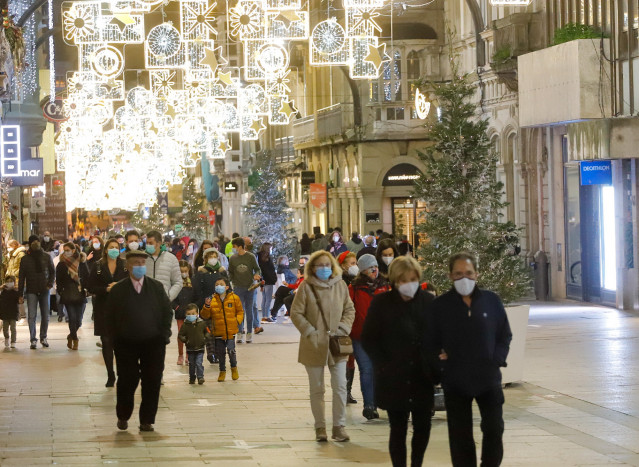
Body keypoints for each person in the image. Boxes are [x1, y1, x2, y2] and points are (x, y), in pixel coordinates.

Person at [431, 252, 512, 467]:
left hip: (488, 379)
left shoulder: (491, 301)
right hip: (456, 381)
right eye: (458, 274)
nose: (463, 278)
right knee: (460, 436)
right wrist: (440, 362)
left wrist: (497, 359)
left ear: (476, 274)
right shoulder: (441, 306)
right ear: (450, 276)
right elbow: (430, 340)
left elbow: (505, 334)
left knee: (494, 429)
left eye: (468, 273)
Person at [362, 255, 436, 467]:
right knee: (398, 428)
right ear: (395, 281)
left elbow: (438, 335)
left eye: (412, 279)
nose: (408, 285)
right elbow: (369, 338)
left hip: (422, 376)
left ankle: (417, 463)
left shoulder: (428, 302)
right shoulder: (382, 303)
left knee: (423, 426)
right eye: (403, 280)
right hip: (394, 376)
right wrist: (383, 364)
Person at [290, 250, 355, 443]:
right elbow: (296, 312)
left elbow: (349, 309)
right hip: (314, 343)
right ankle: (320, 427)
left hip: (337, 343)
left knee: (340, 386)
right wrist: (310, 331)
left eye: (328, 265)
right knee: (317, 388)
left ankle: (339, 426)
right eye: (320, 265)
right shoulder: (306, 287)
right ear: (312, 268)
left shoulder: (341, 285)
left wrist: (343, 328)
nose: (324, 269)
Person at [106, 250, 173, 432]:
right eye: (136, 263)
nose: (140, 267)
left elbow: (167, 312)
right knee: (127, 380)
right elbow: (109, 317)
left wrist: (164, 334)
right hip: (126, 343)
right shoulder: (118, 290)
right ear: (127, 266)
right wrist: (114, 340)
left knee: (152, 380)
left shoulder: (157, 288)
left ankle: (147, 420)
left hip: (153, 343)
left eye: (143, 263)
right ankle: (123, 415)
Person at [349, 254, 390, 419]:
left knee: (381, 369)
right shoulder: (354, 288)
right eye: (369, 268)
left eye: (375, 267)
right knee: (366, 369)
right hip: (360, 336)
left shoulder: (385, 286)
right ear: (362, 270)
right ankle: (369, 405)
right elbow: (349, 310)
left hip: (382, 337)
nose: (374, 270)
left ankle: (383, 400)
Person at [87, 238, 129, 387]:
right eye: (111, 247)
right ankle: (110, 374)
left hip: (121, 309)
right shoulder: (98, 266)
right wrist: (106, 289)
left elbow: (131, 283)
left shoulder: (124, 266)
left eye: (116, 247)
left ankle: (121, 372)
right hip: (103, 308)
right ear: (106, 250)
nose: (114, 250)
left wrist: (118, 286)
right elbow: (90, 287)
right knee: (106, 341)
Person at [200, 278, 243, 382]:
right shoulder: (212, 300)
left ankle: (234, 368)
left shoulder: (234, 298)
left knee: (231, 351)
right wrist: (206, 306)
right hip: (218, 331)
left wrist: (236, 321)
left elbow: (240, 311)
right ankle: (222, 371)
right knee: (221, 353)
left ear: (226, 287)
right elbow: (205, 315)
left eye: (221, 284)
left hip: (230, 331)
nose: (218, 286)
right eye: (217, 284)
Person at [18, 235, 56, 349]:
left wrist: (49, 284)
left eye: (37, 241)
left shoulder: (46, 256)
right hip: (31, 290)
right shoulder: (25, 259)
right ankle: (33, 339)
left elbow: (52, 272)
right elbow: (21, 277)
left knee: (45, 315)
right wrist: (20, 294)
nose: (36, 243)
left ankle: (43, 337)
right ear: (30, 244)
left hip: (45, 289)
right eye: (33, 241)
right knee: (32, 316)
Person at [227, 237, 261, 343]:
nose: (233, 248)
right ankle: (240, 332)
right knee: (239, 311)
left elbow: (257, 269)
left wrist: (256, 275)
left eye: (234, 246)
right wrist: (231, 281)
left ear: (240, 246)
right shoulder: (233, 258)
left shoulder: (250, 257)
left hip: (250, 287)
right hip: (238, 287)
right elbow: (230, 272)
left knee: (249, 310)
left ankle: (249, 332)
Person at [56, 243, 89, 350]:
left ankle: (70, 336)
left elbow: (87, 276)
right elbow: (59, 279)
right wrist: (61, 291)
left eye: (68, 250)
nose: (66, 252)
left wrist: (86, 288)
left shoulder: (81, 262)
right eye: (64, 250)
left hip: (80, 292)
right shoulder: (61, 264)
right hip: (67, 293)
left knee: (79, 320)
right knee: (72, 318)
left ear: (74, 250)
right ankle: (75, 339)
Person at [145, 230, 183, 302]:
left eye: (150, 243)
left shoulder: (171, 259)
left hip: (163, 304)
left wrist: (168, 297)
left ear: (159, 243)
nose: (148, 245)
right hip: (146, 303)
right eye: (146, 243)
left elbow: (178, 282)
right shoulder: (142, 258)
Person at [178, 304, 210, 385]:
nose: (191, 316)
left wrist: (205, 339)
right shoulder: (185, 325)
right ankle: (192, 377)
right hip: (190, 348)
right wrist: (186, 340)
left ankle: (200, 377)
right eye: (188, 314)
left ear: (197, 314)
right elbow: (180, 335)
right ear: (186, 315)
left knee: (199, 363)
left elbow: (207, 332)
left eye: (193, 314)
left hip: (200, 348)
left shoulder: (202, 323)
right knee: (191, 364)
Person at [173, 260, 195, 366]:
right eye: (181, 271)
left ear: (189, 270)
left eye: (185, 271)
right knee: (181, 334)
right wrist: (176, 307)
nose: (184, 273)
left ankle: (188, 355)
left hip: (191, 312)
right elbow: (171, 296)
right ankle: (180, 355)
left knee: (191, 334)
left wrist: (194, 308)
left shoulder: (193, 282)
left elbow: (197, 296)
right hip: (180, 312)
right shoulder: (175, 282)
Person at [6, 239, 27, 323]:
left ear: (14, 246)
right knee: (14, 298)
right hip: (12, 279)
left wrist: (13, 273)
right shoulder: (11, 254)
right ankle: (17, 316)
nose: (8, 248)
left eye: (9, 247)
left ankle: (23, 316)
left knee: (19, 297)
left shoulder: (20, 254)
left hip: (18, 279)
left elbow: (22, 267)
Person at [258, 242, 277, 324]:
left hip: (263, 280)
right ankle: (266, 316)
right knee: (268, 299)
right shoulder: (267, 259)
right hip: (268, 280)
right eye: (271, 248)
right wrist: (273, 278)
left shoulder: (259, 257)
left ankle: (263, 316)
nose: (271, 250)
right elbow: (270, 270)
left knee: (264, 298)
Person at [0, 275, 20, 348]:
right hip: (5, 313)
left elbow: (19, 301)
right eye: (7, 282)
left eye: (11, 281)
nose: (9, 283)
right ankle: (7, 338)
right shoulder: (3, 291)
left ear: (14, 282)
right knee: (5, 329)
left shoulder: (16, 291)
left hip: (13, 312)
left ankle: (13, 341)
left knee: (13, 328)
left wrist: (18, 291)